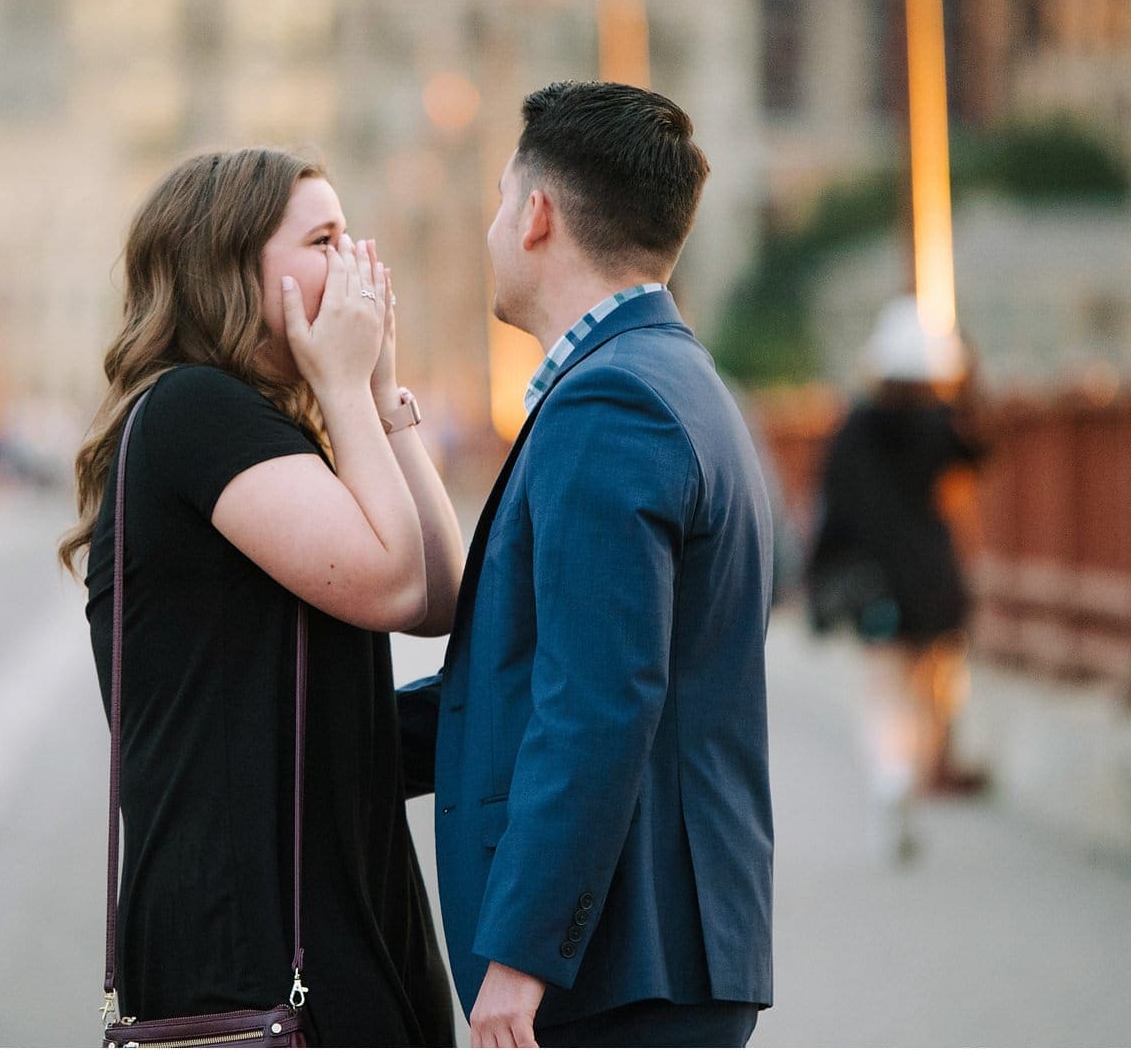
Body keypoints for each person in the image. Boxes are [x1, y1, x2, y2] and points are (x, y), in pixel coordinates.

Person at [398, 81, 775, 1049]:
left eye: (495, 200)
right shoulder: (666, 372)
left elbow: (597, 697)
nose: (487, 228)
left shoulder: (611, 402)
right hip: (654, 948)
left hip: (622, 966)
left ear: (536, 215)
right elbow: (533, 673)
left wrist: (520, 956)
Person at [60, 149, 462, 1045]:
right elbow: (394, 581)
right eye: (323, 239)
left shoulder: (257, 423)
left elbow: (441, 594)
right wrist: (343, 384)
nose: (356, 261)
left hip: (326, 904)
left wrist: (378, 395)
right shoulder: (193, 412)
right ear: (231, 268)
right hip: (246, 935)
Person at [807, 296, 990, 864]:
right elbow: (984, 450)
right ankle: (911, 771)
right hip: (932, 583)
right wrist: (969, 379)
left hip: (874, 587)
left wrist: (818, 582)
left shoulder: (851, 429)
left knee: (884, 694)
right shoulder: (937, 427)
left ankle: (891, 783)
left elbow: (830, 511)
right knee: (933, 693)